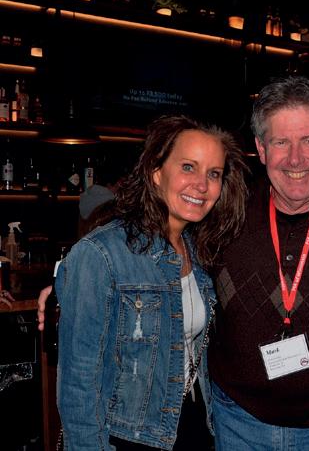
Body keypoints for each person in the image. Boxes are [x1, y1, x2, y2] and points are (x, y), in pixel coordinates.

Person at [52, 115, 248, 450]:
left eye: (213, 173)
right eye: (188, 167)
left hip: (194, 427)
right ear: (156, 172)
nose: (202, 184)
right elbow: (79, 382)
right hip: (128, 436)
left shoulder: (201, 251)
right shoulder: (102, 253)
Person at [208, 75, 309, 450]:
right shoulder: (224, 212)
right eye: (281, 142)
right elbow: (160, 237)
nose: (296, 159)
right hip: (237, 422)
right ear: (261, 149)